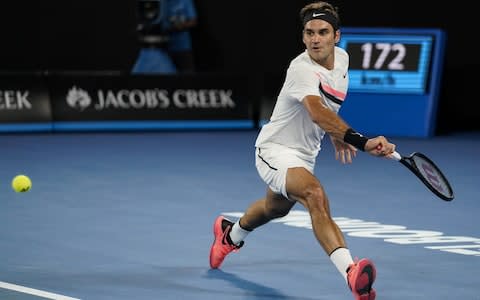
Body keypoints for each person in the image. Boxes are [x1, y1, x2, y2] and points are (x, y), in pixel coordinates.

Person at [208, 2, 396, 300]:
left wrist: (337, 134)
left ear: (337, 36)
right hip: (274, 149)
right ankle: (351, 273)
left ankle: (230, 235)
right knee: (314, 194)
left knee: (275, 208)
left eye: (322, 32)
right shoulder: (301, 69)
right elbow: (317, 112)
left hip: (304, 155)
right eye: (309, 32)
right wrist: (361, 140)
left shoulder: (343, 60)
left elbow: (328, 107)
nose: (315, 39)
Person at [131, 0, 197, 74]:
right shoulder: (160, 2)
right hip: (164, 49)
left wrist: (179, 27)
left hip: (182, 47)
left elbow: (193, 21)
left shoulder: (185, 1)